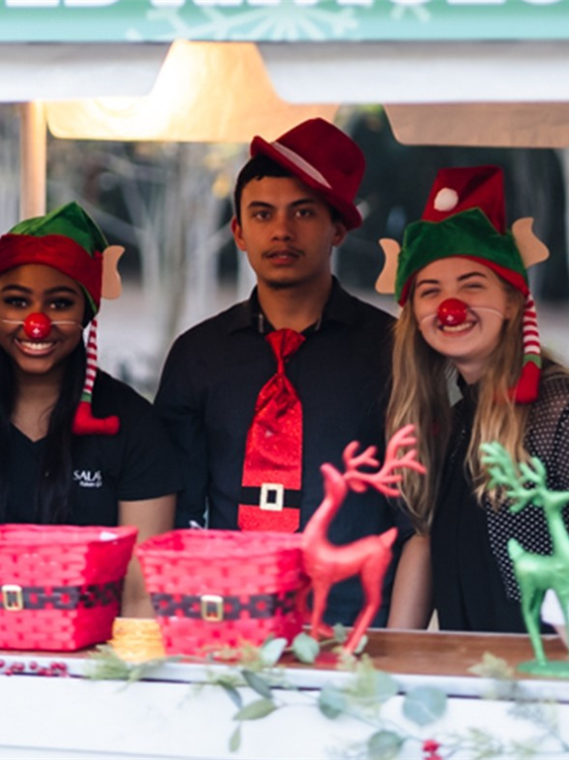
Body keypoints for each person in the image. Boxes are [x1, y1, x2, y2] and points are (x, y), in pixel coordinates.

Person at [154, 117, 397, 626]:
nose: (281, 231)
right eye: (262, 215)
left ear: (337, 227)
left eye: (303, 213)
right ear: (238, 232)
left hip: (351, 627)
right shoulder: (197, 355)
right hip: (224, 619)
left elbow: (416, 515)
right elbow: (175, 510)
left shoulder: (393, 350)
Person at [382, 165, 569, 632]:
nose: (452, 306)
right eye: (431, 291)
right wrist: (391, 665)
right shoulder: (449, 422)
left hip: (554, 680)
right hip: (467, 678)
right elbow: (427, 544)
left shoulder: (562, 412)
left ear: (512, 302)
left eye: (472, 285)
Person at [0, 203, 179, 617]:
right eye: (17, 302)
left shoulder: (132, 424)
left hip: (94, 657)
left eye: (59, 304)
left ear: (86, 313)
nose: (36, 322)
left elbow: (141, 593)